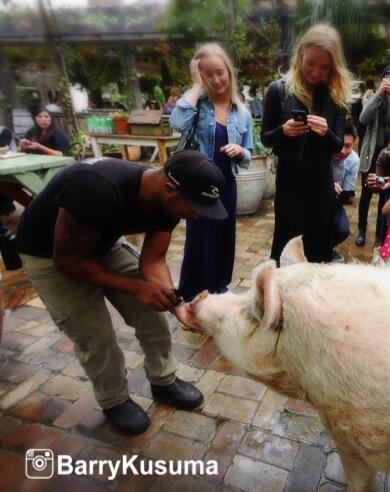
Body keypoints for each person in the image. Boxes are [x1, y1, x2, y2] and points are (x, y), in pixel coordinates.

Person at [16, 151, 224, 434]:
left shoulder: (170, 202)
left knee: (153, 313)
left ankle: (164, 381)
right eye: (194, 206)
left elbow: (152, 260)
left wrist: (175, 304)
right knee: (95, 334)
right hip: (49, 253)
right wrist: (137, 288)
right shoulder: (95, 187)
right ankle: (114, 400)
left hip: (103, 242)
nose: (196, 215)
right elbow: (69, 261)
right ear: (169, 189)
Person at [261, 24, 355, 264]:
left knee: (317, 249)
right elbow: (265, 138)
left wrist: (325, 133)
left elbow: (337, 147)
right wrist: (284, 132)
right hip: (289, 183)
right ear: (300, 54)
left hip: (321, 185)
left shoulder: (336, 97)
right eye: (311, 63)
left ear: (332, 67)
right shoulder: (278, 90)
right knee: (286, 247)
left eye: (324, 67)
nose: (315, 72)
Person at [170, 43, 253, 301]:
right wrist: (195, 86)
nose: (216, 79)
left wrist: (240, 151)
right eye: (208, 74)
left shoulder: (242, 113)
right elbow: (177, 123)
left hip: (226, 184)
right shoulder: (198, 105)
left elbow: (249, 154)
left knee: (223, 237)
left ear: (229, 72)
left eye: (220, 72)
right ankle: (192, 290)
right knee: (199, 238)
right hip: (198, 185)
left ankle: (218, 287)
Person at [356, 64, 390, 247]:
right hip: (372, 153)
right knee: (366, 192)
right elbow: (363, 118)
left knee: (385, 192)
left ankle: (382, 231)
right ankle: (362, 229)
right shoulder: (374, 97)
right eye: (387, 76)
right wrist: (380, 94)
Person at [331, 124, 360, 261]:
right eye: (340, 144)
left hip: (333, 199)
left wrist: (350, 197)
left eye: (348, 146)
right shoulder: (322, 151)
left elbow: (347, 190)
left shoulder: (354, 159)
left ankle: (327, 248)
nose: (343, 150)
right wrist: (327, 184)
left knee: (342, 230)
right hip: (311, 195)